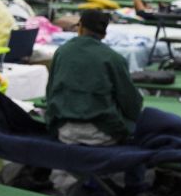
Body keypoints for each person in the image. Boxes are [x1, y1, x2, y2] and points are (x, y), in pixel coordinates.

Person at [43, 9, 143, 147]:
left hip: (64, 130)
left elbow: (50, 93)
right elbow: (131, 102)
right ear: (104, 34)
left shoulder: (62, 52)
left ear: (80, 27)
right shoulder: (113, 58)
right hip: (104, 133)